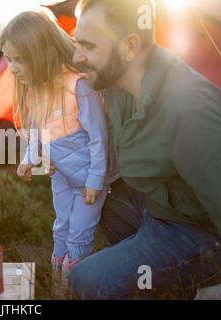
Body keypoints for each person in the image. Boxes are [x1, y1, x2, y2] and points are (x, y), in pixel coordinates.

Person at [70, 0, 221, 299]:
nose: (76, 57)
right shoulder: (116, 80)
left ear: (129, 46)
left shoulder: (188, 111)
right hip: (159, 203)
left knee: (86, 279)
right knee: (98, 198)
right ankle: (155, 273)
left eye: (87, 45)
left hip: (198, 231)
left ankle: (205, 283)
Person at [1, 10, 118, 293]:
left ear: (42, 53)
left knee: (80, 232)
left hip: (90, 178)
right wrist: (30, 159)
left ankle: (77, 283)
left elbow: (98, 138)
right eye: (8, 59)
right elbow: (38, 129)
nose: (12, 68)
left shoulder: (78, 86)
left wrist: (94, 180)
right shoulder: (35, 90)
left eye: (20, 59)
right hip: (62, 176)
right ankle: (58, 285)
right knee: (61, 227)